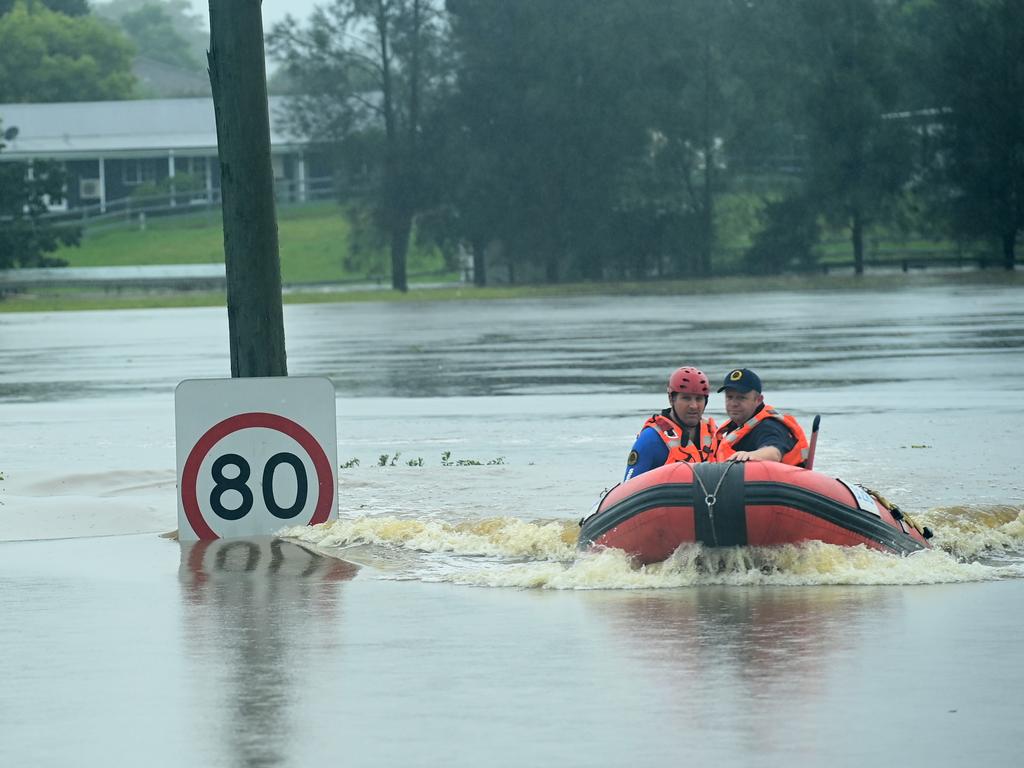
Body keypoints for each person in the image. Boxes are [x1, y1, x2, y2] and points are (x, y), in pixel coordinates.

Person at [623, 366, 719, 482]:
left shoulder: (714, 435)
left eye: (698, 399)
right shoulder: (651, 439)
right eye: (686, 398)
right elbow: (628, 486)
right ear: (671, 399)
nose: (693, 406)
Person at [714, 368, 808, 465]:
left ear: (758, 400)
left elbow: (774, 452)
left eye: (741, 398)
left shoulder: (769, 426)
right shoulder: (736, 426)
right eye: (729, 397)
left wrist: (752, 455)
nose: (733, 403)